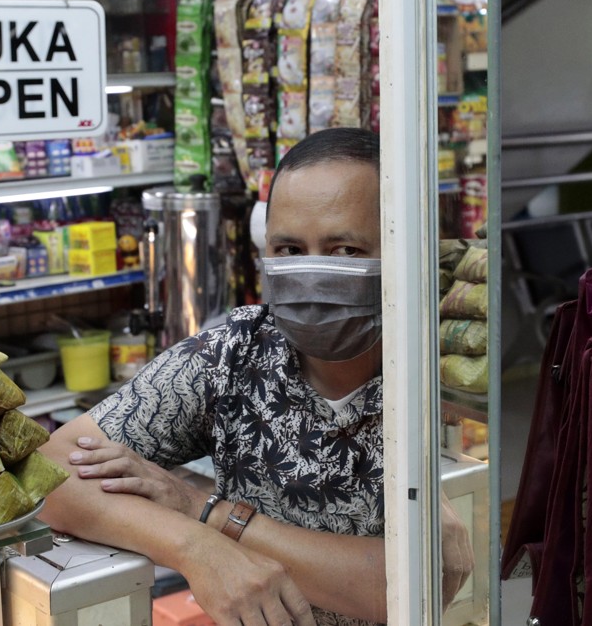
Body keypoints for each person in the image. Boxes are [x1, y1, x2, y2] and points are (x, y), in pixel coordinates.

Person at [38, 127, 473, 626]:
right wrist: (196, 548)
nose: (312, 271)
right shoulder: (234, 354)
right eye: (289, 249)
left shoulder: (428, 370)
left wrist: (206, 512)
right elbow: (52, 473)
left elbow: (403, 585)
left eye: (345, 250)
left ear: (402, 248)